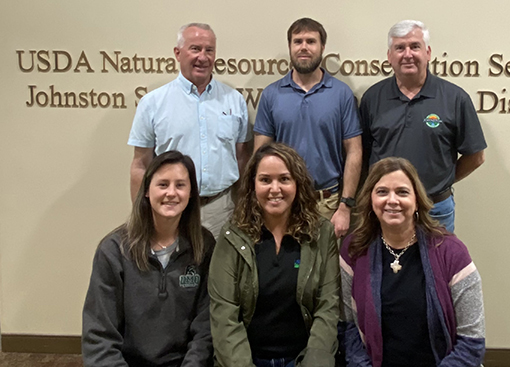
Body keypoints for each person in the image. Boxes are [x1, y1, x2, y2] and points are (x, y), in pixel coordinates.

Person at [340, 157, 485, 367]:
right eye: (382, 192)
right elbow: (348, 327)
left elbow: (472, 342)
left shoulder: (451, 252)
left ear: (417, 199)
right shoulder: (354, 250)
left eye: (402, 192)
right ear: (370, 200)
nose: (392, 200)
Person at [209, 143, 340, 367]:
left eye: (284, 179)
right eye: (265, 180)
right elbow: (224, 316)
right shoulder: (232, 236)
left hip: (303, 358)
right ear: (253, 185)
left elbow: (328, 308)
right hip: (246, 359)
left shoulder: (322, 234)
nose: (275, 189)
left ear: (297, 183)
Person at [82, 151, 215, 367]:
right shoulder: (113, 251)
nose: (171, 193)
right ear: (146, 191)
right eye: (163, 184)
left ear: (191, 193)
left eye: (180, 185)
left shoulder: (204, 246)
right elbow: (99, 338)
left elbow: (205, 329)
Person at [360, 20, 487, 232]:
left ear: (428, 53)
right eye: (400, 48)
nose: (407, 54)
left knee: (437, 265)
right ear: (389, 56)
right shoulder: (372, 98)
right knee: (385, 265)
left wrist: (441, 181)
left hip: (435, 208)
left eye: (415, 46)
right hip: (386, 209)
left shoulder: (455, 98)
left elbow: (476, 156)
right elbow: (363, 153)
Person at [128, 22, 251, 239]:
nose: (203, 57)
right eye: (195, 49)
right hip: (172, 211)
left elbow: (242, 158)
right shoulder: (152, 103)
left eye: (209, 50)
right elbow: (141, 164)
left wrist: (244, 209)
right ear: (178, 53)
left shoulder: (235, 100)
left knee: (219, 273)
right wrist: (143, 216)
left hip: (221, 210)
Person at [254, 18, 362, 238]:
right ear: (290, 47)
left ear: (322, 47)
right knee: (286, 269)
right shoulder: (271, 94)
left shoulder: (341, 94)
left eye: (311, 41)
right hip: (283, 202)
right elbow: (259, 154)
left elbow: (354, 151)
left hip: (327, 203)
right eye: (298, 41)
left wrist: (345, 206)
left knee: (328, 272)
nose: (304, 47)